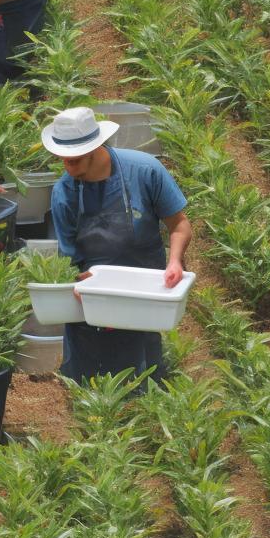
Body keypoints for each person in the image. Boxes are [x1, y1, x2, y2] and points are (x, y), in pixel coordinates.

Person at [44, 106, 192, 384]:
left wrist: (175, 261)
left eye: (74, 161)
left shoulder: (144, 171)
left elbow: (180, 225)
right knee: (89, 388)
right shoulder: (64, 193)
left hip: (143, 296)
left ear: (95, 148)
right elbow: (69, 261)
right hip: (90, 305)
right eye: (62, 159)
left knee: (143, 381)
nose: (67, 168)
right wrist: (88, 288)